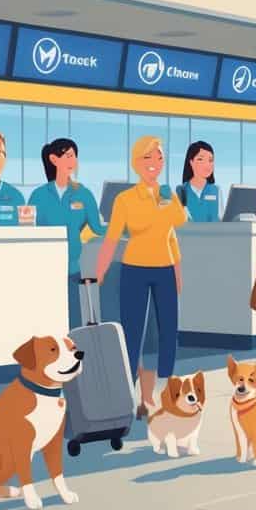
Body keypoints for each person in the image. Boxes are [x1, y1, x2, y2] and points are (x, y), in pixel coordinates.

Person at [95, 136, 186, 417]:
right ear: (136, 162)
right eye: (148, 158)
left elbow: (175, 231)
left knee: (169, 334)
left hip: (165, 270)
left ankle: (166, 394)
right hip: (134, 269)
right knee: (133, 336)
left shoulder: (167, 196)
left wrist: (178, 273)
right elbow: (111, 239)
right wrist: (99, 272)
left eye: (159, 158)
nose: (154, 164)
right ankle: (130, 396)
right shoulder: (125, 199)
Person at [28, 138, 105, 332]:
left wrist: (127, 227)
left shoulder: (83, 194)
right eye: (68, 155)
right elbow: (29, 229)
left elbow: (98, 227)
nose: (73, 160)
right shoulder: (39, 195)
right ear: (54, 159)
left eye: (75, 156)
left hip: (73, 268)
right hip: (45, 269)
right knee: (47, 322)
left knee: (74, 323)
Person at [177, 141, 220, 222]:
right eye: (200, 159)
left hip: (213, 233)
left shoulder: (216, 190)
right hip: (190, 234)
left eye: (210, 160)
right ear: (191, 162)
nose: (206, 164)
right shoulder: (181, 190)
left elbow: (221, 219)